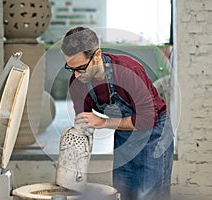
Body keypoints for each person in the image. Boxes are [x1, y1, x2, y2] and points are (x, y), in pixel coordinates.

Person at [60, 26, 174, 200]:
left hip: (155, 131)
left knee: (150, 194)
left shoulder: (127, 71)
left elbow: (146, 119)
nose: (76, 75)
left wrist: (104, 122)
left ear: (97, 55)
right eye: (71, 68)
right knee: (125, 192)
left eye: (81, 68)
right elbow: (83, 124)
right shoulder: (78, 82)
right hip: (126, 133)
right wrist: (72, 165)